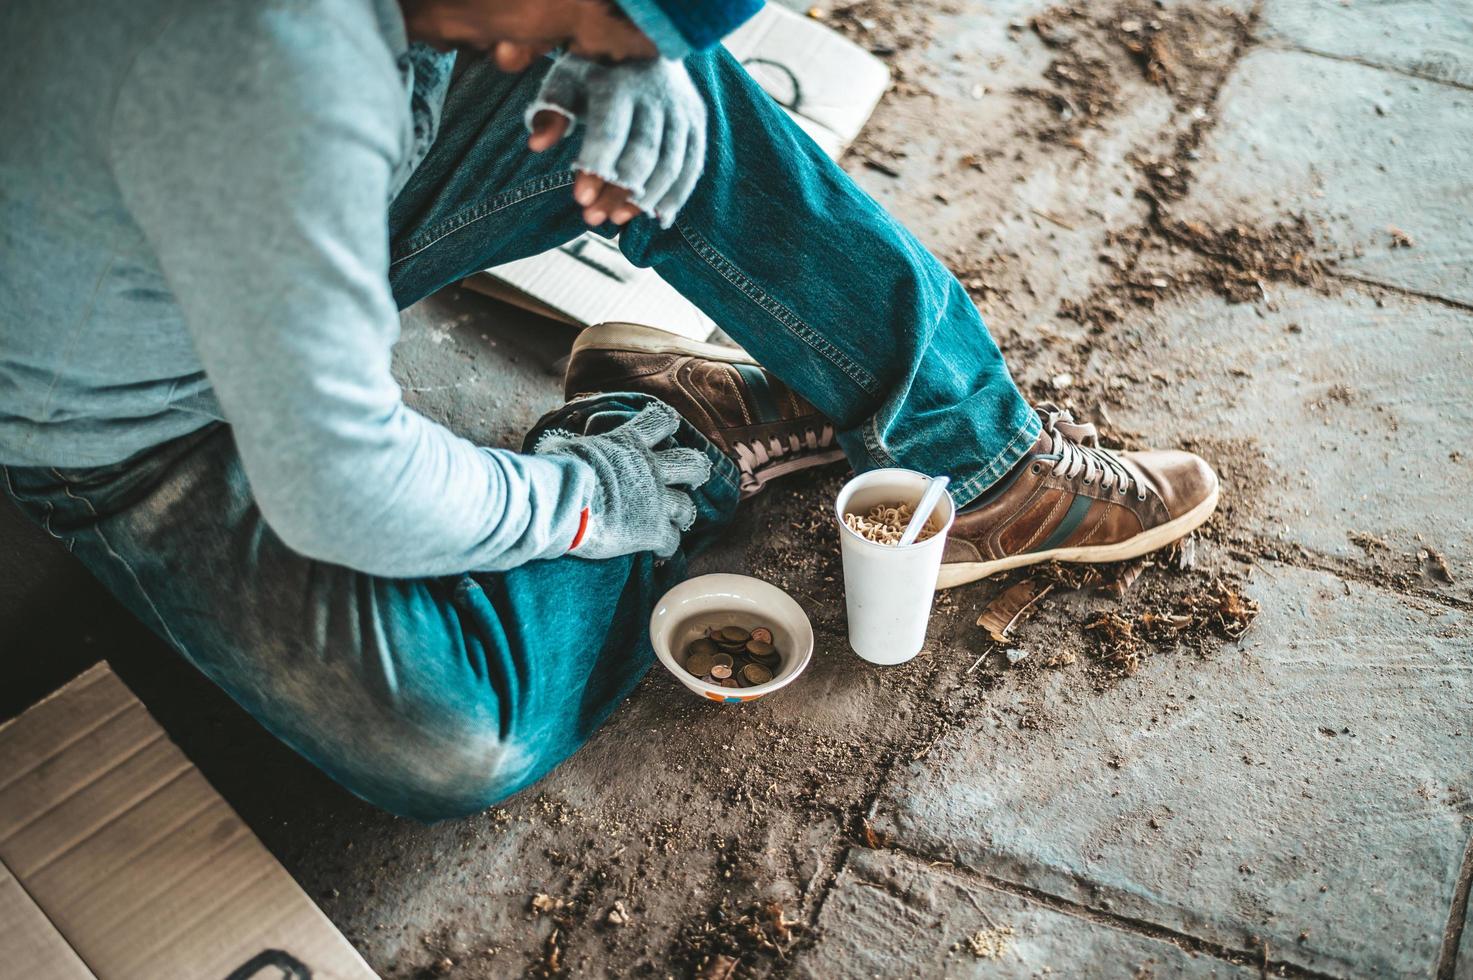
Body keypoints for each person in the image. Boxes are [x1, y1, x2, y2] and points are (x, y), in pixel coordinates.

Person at [0, 0, 1217, 821]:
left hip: (241, 208)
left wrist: (642, 69)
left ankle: (978, 455)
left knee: (662, 116)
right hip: (138, 425)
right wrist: (588, 503)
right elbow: (339, 481)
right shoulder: (279, 74)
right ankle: (673, 442)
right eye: (602, 18)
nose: (621, 43)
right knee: (451, 732)